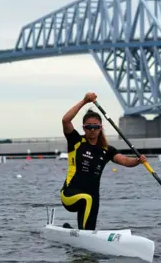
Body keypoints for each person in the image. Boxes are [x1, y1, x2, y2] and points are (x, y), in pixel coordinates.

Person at [60, 92, 147, 230]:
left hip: (92, 197)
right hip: (70, 195)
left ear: (101, 128)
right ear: (83, 128)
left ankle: (72, 231)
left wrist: (138, 160)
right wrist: (84, 101)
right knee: (86, 199)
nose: (92, 130)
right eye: (89, 127)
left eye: (96, 126)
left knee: (89, 215)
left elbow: (124, 161)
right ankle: (83, 236)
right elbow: (65, 121)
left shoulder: (106, 150)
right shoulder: (76, 141)